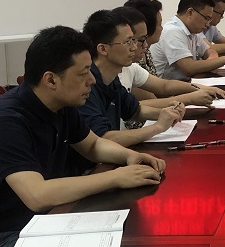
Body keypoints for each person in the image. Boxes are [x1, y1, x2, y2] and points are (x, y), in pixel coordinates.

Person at [0, 26, 165, 247]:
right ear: (51, 79)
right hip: (8, 233)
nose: (92, 80)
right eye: (83, 73)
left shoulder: (61, 105)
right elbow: (36, 194)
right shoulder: (6, 121)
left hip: (49, 216)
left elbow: (93, 145)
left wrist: (128, 157)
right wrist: (116, 178)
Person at [78, 9, 185, 150]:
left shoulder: (112, 79)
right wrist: (158, 127)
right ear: (103, 49)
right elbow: (103, 138)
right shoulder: (85, 85)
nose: (134, 47)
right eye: (128, 42)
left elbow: (135, 110)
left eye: (134, 41)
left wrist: (167, 113)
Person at [112, 7, 225, 131]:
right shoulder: (108, 76)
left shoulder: (131, 67)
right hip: (136, 128)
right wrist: (188, 99)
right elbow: (143, 104)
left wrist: (199, 88)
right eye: (130, 41)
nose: (136, 46)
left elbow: (164, 86)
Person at [150, 0, 225, 80]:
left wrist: (211, 61)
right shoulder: (173, 31)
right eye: (206, 18)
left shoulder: (192, 31)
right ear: (190, 12)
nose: (208, 24)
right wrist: (224, 60)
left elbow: (209, 51)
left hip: (187, 83)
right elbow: (188, 68)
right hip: (168, 90)